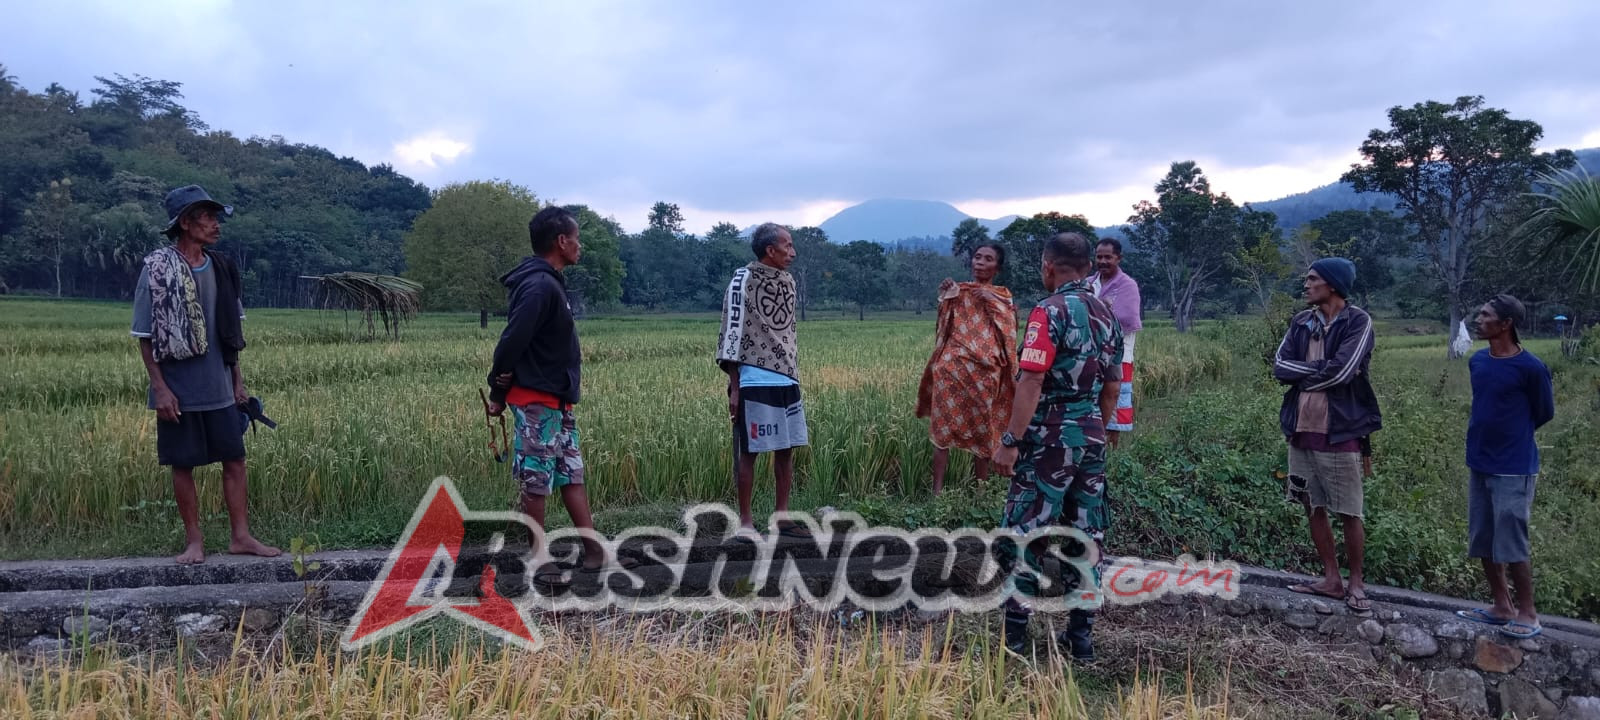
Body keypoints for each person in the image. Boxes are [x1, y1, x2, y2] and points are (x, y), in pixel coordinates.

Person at [131, 185, 280, 565]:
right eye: (208, 217)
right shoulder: (157, 270)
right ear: (185, 223)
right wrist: (160, 388)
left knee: (234, 459)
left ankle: (241, 537)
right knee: (183, 463)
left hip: (219, 385)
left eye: (216, 218)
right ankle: (194, 542)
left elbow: (231, 335)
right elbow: (145, 337)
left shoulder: (223, 269)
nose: (216, 225)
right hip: (178, 389)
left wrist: (238, 381)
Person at [992, 232, 1123, 661]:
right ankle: (1080, 640)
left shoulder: (1049, 312)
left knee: (1025, 531)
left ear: (1048, 266)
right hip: (1090, 438)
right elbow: (1113, 384)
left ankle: (1014, 639)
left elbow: (1030, 380)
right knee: (1086, 535)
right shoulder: (1108, 313)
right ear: (1088, 266)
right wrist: (1095, 430)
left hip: (1047, 440)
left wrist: (1011, 440)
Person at [485, 206, 631, 584]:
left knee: (571, 473)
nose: (580, 246)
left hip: (557, 400)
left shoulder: (550, 282)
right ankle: (537, 556)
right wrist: (497, 391)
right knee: (537, 479)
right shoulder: (539, 286)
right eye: (577, 238)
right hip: (536, 400)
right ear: (561, 241)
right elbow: (512, 341)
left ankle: (595, 550)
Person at [1272, 258, 1382, 615]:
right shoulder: (1302, 322)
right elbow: (1279, 368)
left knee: (1349, 509)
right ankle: (1331, 578)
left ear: (1332, 285)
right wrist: (1323, 369)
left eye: (1313, 279)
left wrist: (1307, 375)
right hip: (1301, 427)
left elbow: (1346, 371)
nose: (1306, 285)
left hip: (1340, 429)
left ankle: (1356, 583)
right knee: (1312, 505)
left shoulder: (1358, 321)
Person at [1454, 294, 1554, 640]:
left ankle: (1528, 612)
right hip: (1479, 460)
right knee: (1483, 538)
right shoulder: (1478, 362)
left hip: (1514, 466)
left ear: (1506, 323)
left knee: (1512, 541)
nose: (1479, 320)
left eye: (1486, 315)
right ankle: (1501, 606)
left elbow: (1544, 412)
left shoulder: (1531, 368)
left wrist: (1512, 437)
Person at [715, 222, 811, 541]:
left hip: (786, 375)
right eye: (788, 245)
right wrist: (735, 384)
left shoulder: (788, 280)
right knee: (750, 451)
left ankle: (782, 517)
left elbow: (786, 330)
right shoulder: (743, 279)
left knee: (785, 450)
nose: (793, 252)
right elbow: (731, 330)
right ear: (770, 250)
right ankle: (745, 521)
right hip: (754, 377)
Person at [914, 243, 1018, 495]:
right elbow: (944, 326)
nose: (980, 262)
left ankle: (980, 492)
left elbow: (1010, 330)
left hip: (985, 373)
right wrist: (946, 296)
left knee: (983, 430)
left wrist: (991, 300)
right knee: (942, 433)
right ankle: (936, 494)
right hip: (951, 370)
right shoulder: (959, 291)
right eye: (977, 257)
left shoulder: (1003, 296)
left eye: (988, 259)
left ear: (998, 267)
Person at [1090, 239, 1141, 448]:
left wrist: (1096, 314)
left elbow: (1126, 318)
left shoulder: (1127, 285)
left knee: (1115, 395)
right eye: (1099, 257)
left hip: (1119, 353)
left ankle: (1112, 448)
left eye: (1108, 257)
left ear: (1118, 258)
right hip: (1092, 352)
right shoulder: (1089, 283)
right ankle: (1093, 440)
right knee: (1093, 396)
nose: (1103, 261)